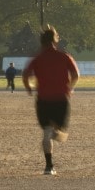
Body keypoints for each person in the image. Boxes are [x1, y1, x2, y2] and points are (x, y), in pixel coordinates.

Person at [22, 25, 79, 176]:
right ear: (55, 40)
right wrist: (70, 87)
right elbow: (76, 75)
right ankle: (53, 135)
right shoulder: (64, 57)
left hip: (43, 100)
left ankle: (49, 166)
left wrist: (29, 88)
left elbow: (25, 75)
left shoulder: (37, 59)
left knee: (47, 131)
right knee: (61, 134)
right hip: (61, 99)